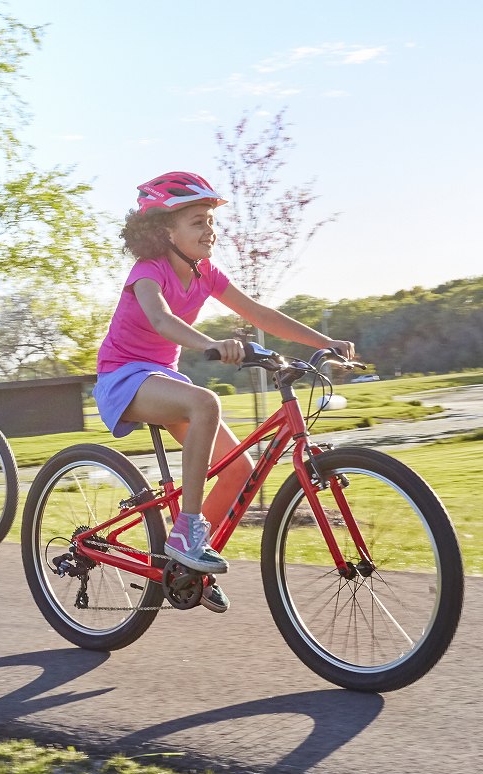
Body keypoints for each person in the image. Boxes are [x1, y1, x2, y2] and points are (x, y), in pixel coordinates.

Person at [94, 171, 355, 613]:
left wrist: (322, 342)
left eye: (211, 222)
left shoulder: (206, 273)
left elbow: (258, 313)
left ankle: (188, 566)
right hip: (123, 377)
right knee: (205, 401)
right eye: (197, 221)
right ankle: (186, 531)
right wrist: (210, 343)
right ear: (163, 231)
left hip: (163, 378)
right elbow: (160, 320)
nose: (209, 231)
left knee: (240, 471)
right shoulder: (147, 272)